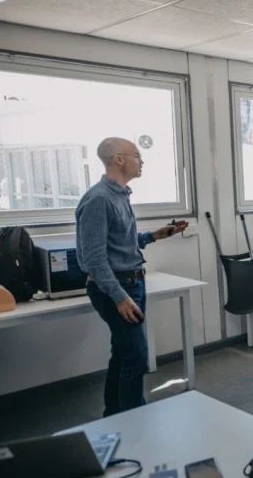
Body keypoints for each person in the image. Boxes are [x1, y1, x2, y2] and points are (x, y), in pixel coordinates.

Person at [76, 137, 188, 416]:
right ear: (118, 159)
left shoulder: (119, 195)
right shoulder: (99, 199)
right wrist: (120, 297)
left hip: (132, 282)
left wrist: (156, 235)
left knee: (124, 354)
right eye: (137, 155)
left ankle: (114, 416)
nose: (142, 161)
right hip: (116, 287)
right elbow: (94, 258)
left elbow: (120, 243)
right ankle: (134, 421)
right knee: (137, 358)